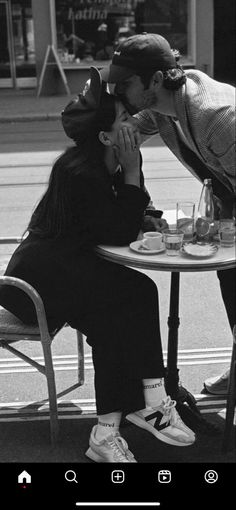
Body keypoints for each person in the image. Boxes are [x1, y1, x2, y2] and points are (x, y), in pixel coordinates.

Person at [0, 67, 195, 463]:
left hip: (72, 271)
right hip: (37, 285)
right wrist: (134, 170)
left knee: (126, 307)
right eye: (126, 120)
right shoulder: (78, 171)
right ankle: (148, 403)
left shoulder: (108, 165)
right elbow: (118, 230)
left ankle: (115, 426)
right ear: (107, 136)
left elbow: (120, 216)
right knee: (131, 299)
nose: (135, 124)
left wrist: (147, 214)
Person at [100, 32, 236, 397]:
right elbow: (123, 134)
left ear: (156, 80)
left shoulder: (219, 118)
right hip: (229, 196)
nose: (117, 94)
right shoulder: (163, 104)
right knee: (231, 277)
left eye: (123, 85)